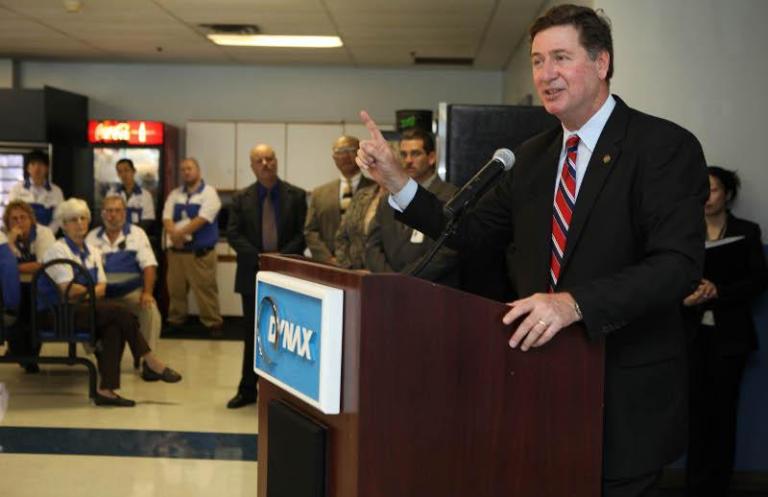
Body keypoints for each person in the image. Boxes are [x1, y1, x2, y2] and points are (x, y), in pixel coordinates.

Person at [355, 5, 708, 497]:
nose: (546, 74)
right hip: (535, 392)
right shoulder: (532, 157)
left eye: (561, 57)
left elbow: (677, 267)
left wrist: (573, 304)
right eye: (538, 61)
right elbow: (466, 231)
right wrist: (398, 182)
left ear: (601, 62)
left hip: (622, 399)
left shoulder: (662, 146)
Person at [40, 198, 181, 407]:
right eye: (72, 220)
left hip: (84, 309)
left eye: (83, 218)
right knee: (118, 311)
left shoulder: (93, 251)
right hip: (57, 314)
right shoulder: (58, 250)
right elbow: (68, 292)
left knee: (115, 325)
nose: (79, 223)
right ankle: (150, 360)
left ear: (88, 221)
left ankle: (106, 390)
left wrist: (85, 292)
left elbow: (102, 289)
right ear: (63, 224)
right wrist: (90, 291)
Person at [683, 166, 768, 497]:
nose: (707, 196)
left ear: (727, 194)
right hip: (691, 335)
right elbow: (667, 280)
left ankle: (717, 486)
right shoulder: (685, 232)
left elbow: (759, 280)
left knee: (723, 414)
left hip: (730, 337)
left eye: (714, 190)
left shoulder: (746, 231)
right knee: (694, 414)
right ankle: (694, 485)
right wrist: (689, 297)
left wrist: (720, 292)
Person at [225, 144, 307, 409]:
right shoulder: (240, 199)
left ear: (276, 161)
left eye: (269, 158)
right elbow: (234, 234)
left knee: (287, 335)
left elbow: (302, 233)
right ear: (252, 166)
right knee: (253, 333)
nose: (265, 164)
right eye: (258, 160)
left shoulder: (296, 196)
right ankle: (248, 389)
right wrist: (261, 258)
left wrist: (280, 257)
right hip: (252, 275)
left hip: (288, 275)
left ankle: (285, 392)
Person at [364, 128, 459, 286]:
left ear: (431, 158)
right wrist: (389, 278)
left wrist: (405, 279)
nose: (408, 160)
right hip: (386, 288)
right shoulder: (387, 199)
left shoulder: (451, 196)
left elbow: (447, 252)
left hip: (431, 291)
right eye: (403, 154)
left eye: (415, 154)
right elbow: (372, 245)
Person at [86, 195, 162, 354]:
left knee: (150, 310)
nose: (113, 215)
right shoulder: (92, 237)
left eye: (117, 211)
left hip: (130, 293)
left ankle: (148, 358)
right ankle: (98, 350)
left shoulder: (137, 234)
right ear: (102, 214)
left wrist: (147, 293)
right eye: (109, 211)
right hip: (102, 295)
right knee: (82, 309)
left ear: (124, 213)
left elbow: (149, 265)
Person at [162, 158, 223, 336]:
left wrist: (179, 234)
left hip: (200, 254)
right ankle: (176, 321)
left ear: (198, 171)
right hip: (176, 253)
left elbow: (202, 219)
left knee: (206, 290)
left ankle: (212, 324)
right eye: (182, 170)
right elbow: (166, 217)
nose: (186, 172)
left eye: (189, 168)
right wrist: (174, 234)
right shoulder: (175, 194)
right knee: (176, 290)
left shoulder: (209, 193)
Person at [2, 200, 56, 372]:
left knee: (32, 308)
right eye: (14, 219)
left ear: (31, 219)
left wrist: (11, 266)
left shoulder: (44, 233)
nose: (19, 222)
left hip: (40, 287)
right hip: (15, 287)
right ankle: (22, 354)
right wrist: (10, 243)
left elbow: (43, 264)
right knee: (14, 308)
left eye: (23, 217)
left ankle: (28, 355)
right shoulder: (5, 237)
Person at [305, 135, 374, 264]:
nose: (345, 156)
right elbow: (311, 231)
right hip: (328, 266)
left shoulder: (377, 190)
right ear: (333, 157)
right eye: (339, 151)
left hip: (368, 265)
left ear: (361, 154)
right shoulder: (319, 194)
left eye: (351, 150)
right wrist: (327, 259)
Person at [8, 150, 64, 234]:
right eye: (33, 164)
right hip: (21, 235)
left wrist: (46, 234)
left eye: (41, 164)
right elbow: (12, 215)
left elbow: (59, 218)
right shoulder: (16, 189)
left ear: (47, 168)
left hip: (47, 236)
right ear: (28, 168)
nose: (37, 168)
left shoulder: (56, 191)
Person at [334, 183, 384, 270]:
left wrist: (375, 273)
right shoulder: (361, 194)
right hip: (352, 273)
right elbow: (341, 236)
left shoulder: (406, 198)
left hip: (384, 277)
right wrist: (349, 267)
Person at [106, 158, 156, 231]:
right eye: (120, 172)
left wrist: (132, 234)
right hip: (116, 234)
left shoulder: (145, 195)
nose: (123, 174)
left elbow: (147, 221)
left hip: (137, 236)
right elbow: (107, 217)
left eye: (126, 170)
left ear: (133, 171)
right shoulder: (111, 194)